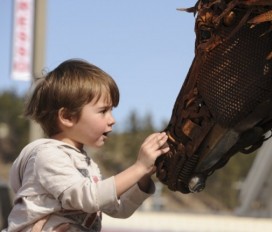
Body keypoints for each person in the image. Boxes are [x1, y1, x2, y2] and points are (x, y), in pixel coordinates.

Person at [3, 59, 169, 232]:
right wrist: (139, 167)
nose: (112, 120)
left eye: (112, 110)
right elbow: (90, 198)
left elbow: (119, 209)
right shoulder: (47, 155)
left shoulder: (84, 163)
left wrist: (142, 178)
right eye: (103, 111)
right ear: (67, 117)